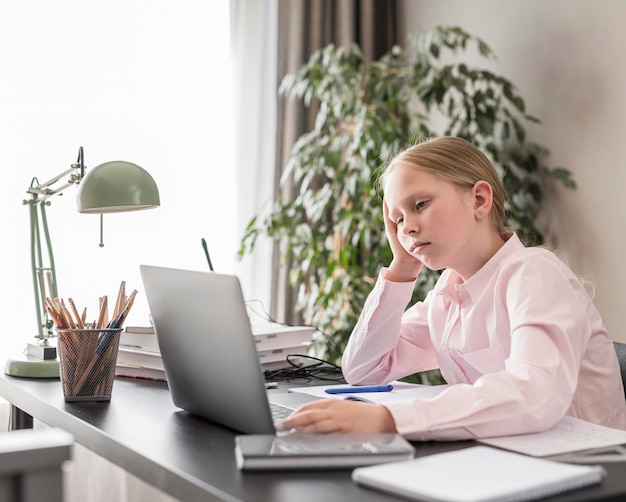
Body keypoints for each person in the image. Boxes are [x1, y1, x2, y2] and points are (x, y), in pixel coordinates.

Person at [276, 136, 626, 440]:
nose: (407, 227)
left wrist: (389, 419)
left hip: (586, 469)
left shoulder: (533, 273)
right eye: (397, 220)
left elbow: (536, 395)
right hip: (505, 458)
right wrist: (403, 266)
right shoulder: (448, 294)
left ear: (478, 200)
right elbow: (364, 370)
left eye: (420, 205)